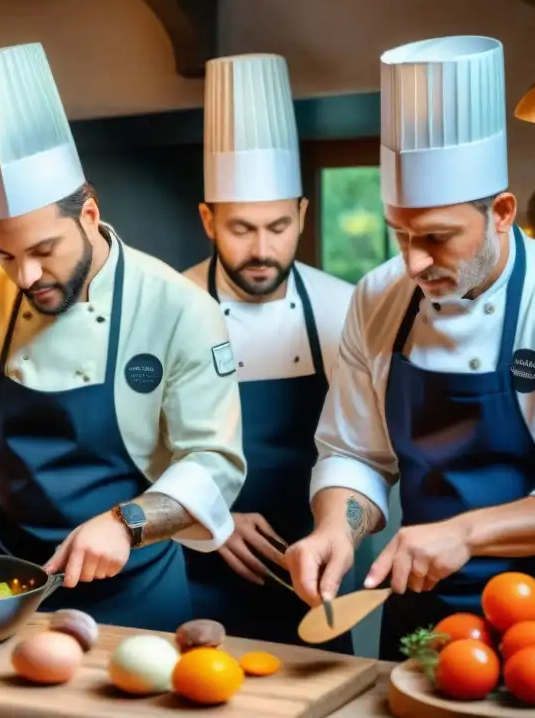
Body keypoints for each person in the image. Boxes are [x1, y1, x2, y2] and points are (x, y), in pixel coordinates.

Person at [0, 42, 247, 632]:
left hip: (138, 595)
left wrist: (125, 523)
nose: (25, 276)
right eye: (3, 254)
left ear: (89, 215)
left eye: (44, 251)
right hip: (4, 585)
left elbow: (214, 462)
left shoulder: (180, 308)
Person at [284, 35, 535, 661]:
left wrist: (465, 533)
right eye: (400, 234)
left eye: (438, 237)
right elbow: (353, 450)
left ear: (502, 211)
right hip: (421, 616)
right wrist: (335, 529)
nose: (415, 261)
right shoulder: (379, 296)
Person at [183, 53, 355, 653]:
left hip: (311, 573)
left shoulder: (344, 309)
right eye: (240, 228)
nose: (262, 249)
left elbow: (365, 448)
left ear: (304, 215)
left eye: (279, 227)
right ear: (208, 219)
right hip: (196, 575)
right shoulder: (168, 308)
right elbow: (128, 446)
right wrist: (198, 521)